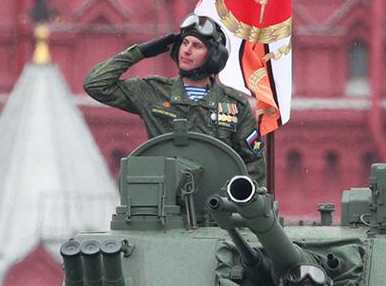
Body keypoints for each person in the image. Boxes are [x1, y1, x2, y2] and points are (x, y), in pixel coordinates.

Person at [83, 15, 264, 180]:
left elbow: (253, 162)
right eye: (184, 43)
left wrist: (241, 204)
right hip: (163, 201)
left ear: (213, 57)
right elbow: (96, 84)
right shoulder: (153, 92)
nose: (187, 50)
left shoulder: (233, 103)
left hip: (215, 204)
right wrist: (139, 53)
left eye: (197, 46)